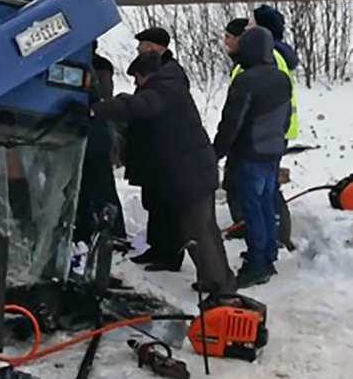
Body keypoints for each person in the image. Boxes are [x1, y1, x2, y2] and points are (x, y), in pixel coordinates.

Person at [91, 51, 236, 295]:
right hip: (197, 169)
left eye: (137, 80)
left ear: (146, 75)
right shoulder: (171, 84)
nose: (136, 85)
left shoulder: (163, 91)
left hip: (191, 174)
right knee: (205, 230)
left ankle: (222, 290)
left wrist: (98, 109)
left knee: (198, 232)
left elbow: (137, 105)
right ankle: (216, 280)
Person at [213, 26, 292, 288]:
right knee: (267, 205)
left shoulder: (246, 80)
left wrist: (216, 152)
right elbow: (286, 117)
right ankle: (268, 254)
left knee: (253, 209)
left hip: (250, 153)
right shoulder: (281, 78)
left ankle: (258, 263)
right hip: (272, 152)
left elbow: (231, 122)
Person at [123, 27, 186, 270]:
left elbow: (150, 105)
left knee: (166, 204)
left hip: (166, 150)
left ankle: (170, 253)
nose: (138, 48)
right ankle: (157, 247)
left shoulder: (170, 74)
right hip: (152, 149)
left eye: (142, 44)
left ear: (151, 46)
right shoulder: (155, 69)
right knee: (153, 201)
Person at [74, 46, 127, 245]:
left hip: (92, 137)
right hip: (93, 137)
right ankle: (99, 230)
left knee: (97, 187)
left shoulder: (93, 69)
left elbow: (100, 100)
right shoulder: (99, 67)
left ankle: (109, 232)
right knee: (96, 187)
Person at [221, 17, 251, 238]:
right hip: (251, 135)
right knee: (235, 183)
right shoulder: (242, 64)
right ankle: (242, 225)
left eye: (229, 37)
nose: (226, 42)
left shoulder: (253, 66)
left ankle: (250, 227)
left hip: (253, 137)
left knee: (253, 187)